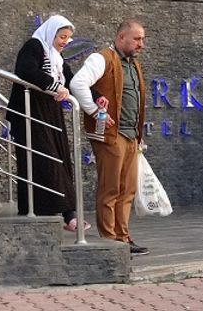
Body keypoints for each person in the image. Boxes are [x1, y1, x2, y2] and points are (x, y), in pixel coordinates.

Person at [70, 19, 148, 255]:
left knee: (127, 190)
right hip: (111, 136)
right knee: (110, 189)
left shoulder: (133, 65)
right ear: (121, 37)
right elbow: (77, 83)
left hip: (131, 136)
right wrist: (93, 110)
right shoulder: (102, 57)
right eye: (136, 39)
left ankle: (123, 238)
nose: (141, 44)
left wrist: (139, 136)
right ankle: (110, 239)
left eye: (142, 39)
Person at [6, 15, 90, 232]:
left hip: (50, 113)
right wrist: (54, 87)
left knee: (58, 159)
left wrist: (96, 97)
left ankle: (49, 210)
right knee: (46, 160)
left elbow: (71, 82)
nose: (64, 42)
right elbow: (26, 71)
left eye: (67, 39)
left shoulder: (58, 60)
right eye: (61, 36)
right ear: (51, 33)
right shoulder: (34, 46)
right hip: (30, 112)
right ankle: (67, 214)